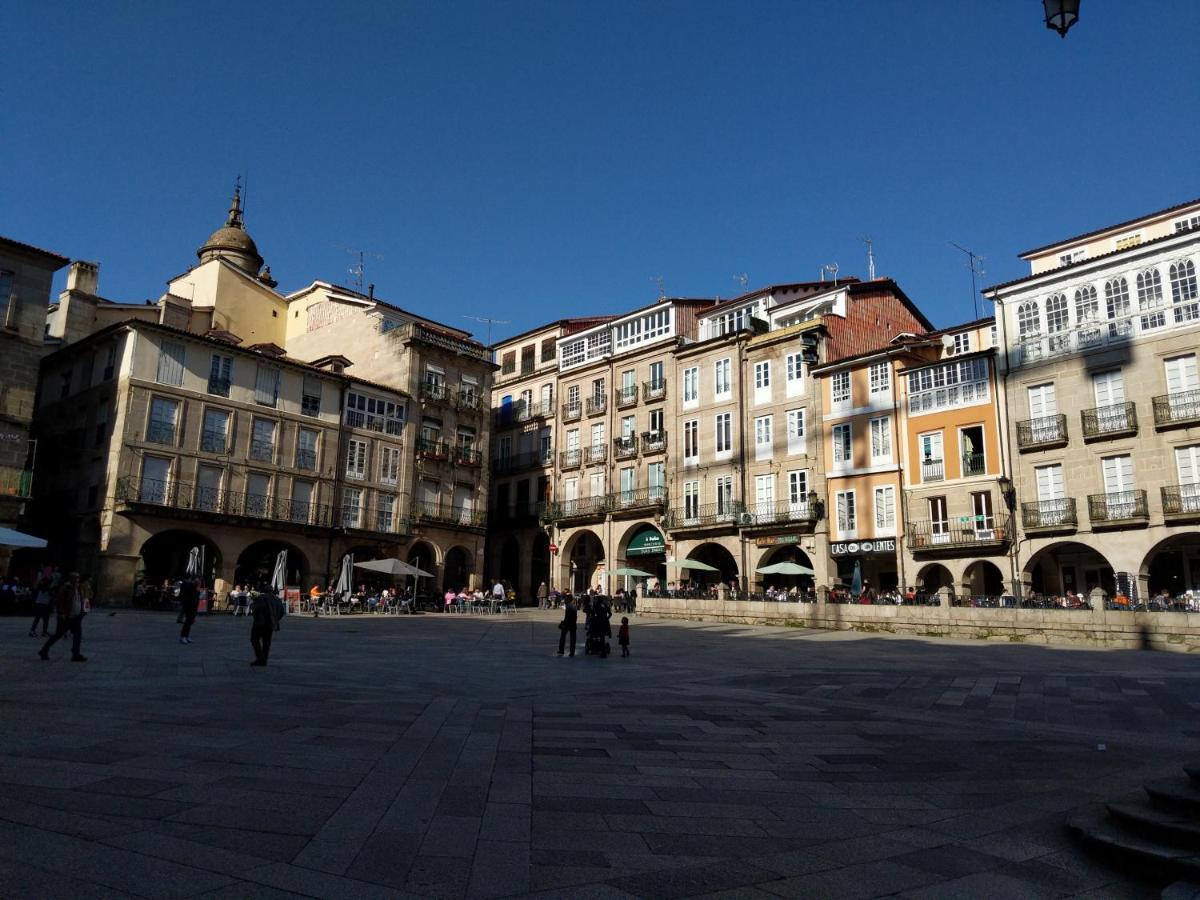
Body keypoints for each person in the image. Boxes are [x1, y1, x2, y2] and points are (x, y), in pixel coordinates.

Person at [39, 572, 86, 662]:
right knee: (58, 634)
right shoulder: (66, 588)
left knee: (77, 635)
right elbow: (60, 601)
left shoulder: (78, 588)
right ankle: (44, 650)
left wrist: (82, 611)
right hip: (66, 616)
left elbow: (79, 600)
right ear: (71, 579)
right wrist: (61, 613)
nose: (77, 579)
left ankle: (75, 654)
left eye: (78, 578)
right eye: (75, 578)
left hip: (76, 616)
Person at [249, 586, 282, 666]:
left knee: (254, 639)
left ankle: (260, 659)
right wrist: (276, 619)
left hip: (260, 623)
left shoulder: (261, 597)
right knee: (266, 642)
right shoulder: (277, 599)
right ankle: (264, 659)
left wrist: (256, 618)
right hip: (270, 623)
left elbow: (255, 608)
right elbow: (281, 611)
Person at [178, 577, 200, 644]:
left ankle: (186, 636)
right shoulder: (190, 588)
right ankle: (183, 637)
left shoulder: (196, 590)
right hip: (189, 606)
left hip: (193, 607)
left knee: (190, 622)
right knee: (187, 622)